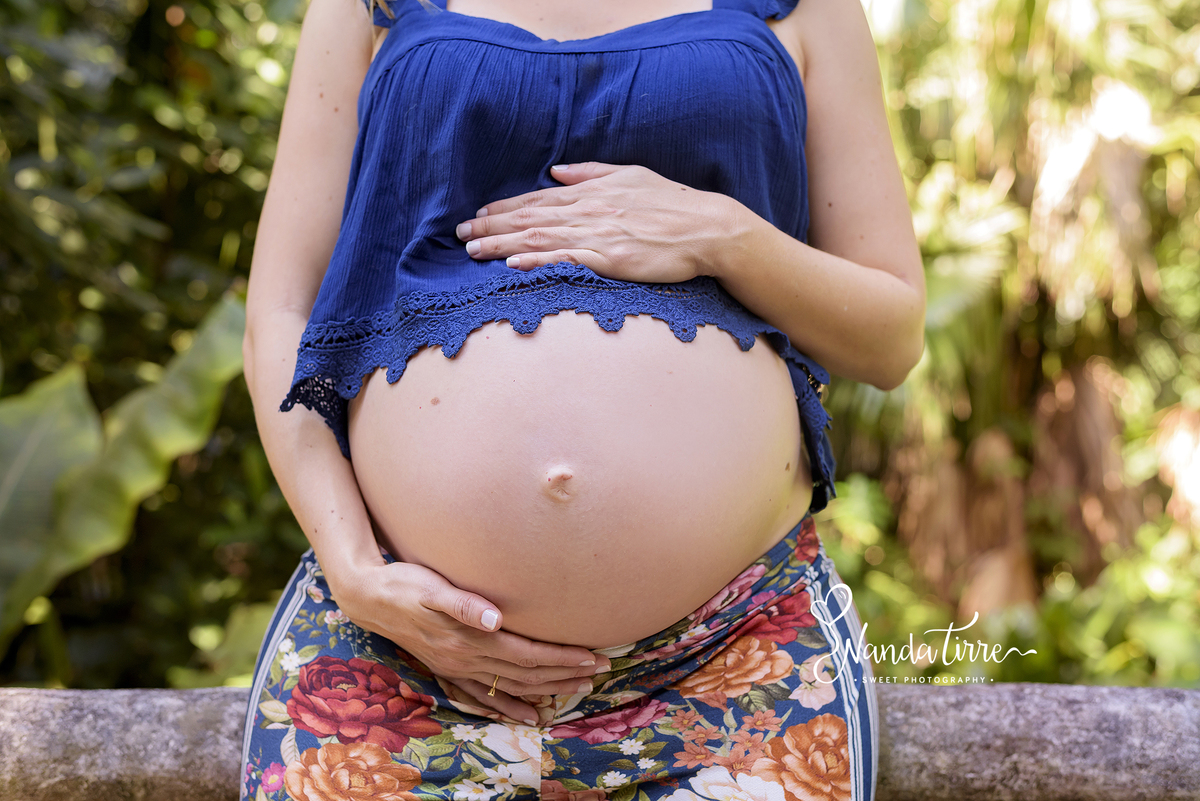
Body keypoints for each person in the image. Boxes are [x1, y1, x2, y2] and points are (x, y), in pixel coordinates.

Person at [239, 0, 924, 799]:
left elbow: (891, 336)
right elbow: (280, 312)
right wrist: (351, 566)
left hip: (733, 660)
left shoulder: (811, 10)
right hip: (400, 657)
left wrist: (720, 234)